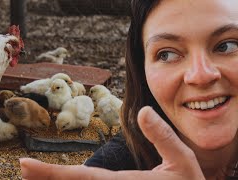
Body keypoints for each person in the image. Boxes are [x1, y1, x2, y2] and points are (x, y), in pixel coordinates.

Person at [19, 0, 238, 179]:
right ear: (141, 70)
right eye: (167, 54)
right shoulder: (114, 165)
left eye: (226, 45)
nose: (200, 76)